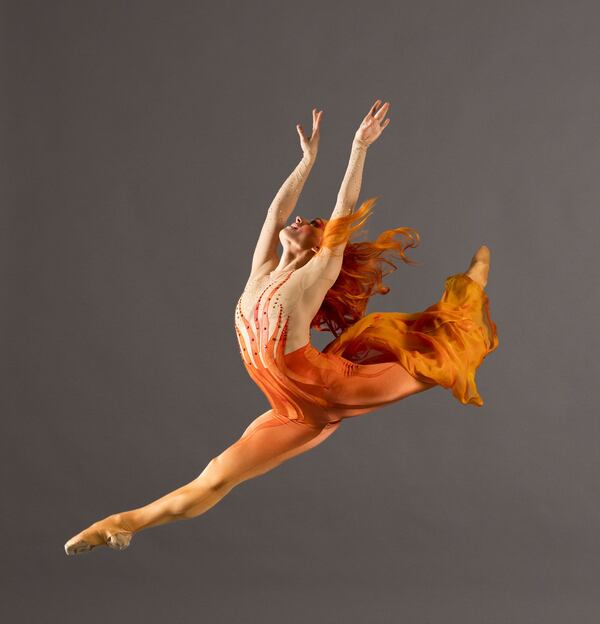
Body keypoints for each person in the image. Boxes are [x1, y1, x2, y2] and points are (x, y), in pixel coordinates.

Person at [64, 100, 498, 555]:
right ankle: (119, 523)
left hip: (335, 388)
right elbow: (275, 214)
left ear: (319, 245)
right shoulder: (262, 272)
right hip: (294, 411)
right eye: (303, 218)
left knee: (442, 355)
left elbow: (344, 206)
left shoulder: (316, 272)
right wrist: (306, 162)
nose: (299, 220)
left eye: (312, 224)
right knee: (215, 476)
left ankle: (473, 282)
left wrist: (358, 147)